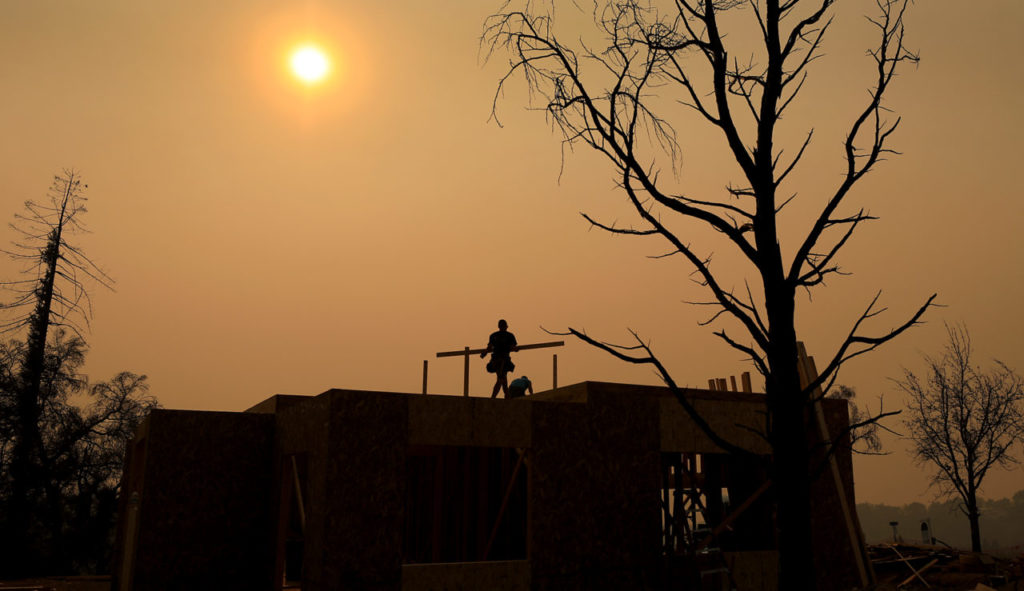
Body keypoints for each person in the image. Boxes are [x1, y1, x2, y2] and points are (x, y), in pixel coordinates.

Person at [480, 319, 517, 398]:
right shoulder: (510, 335)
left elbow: (489, 347)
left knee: (502, 379)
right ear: (506, 326)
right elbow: (513, 347)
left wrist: (484, 353)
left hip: (497, 360)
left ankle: (505, 396)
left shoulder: (494, 335)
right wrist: (515, 349)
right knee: (501, 379)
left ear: (498, 326)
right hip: (503, 360)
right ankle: (494, 397)